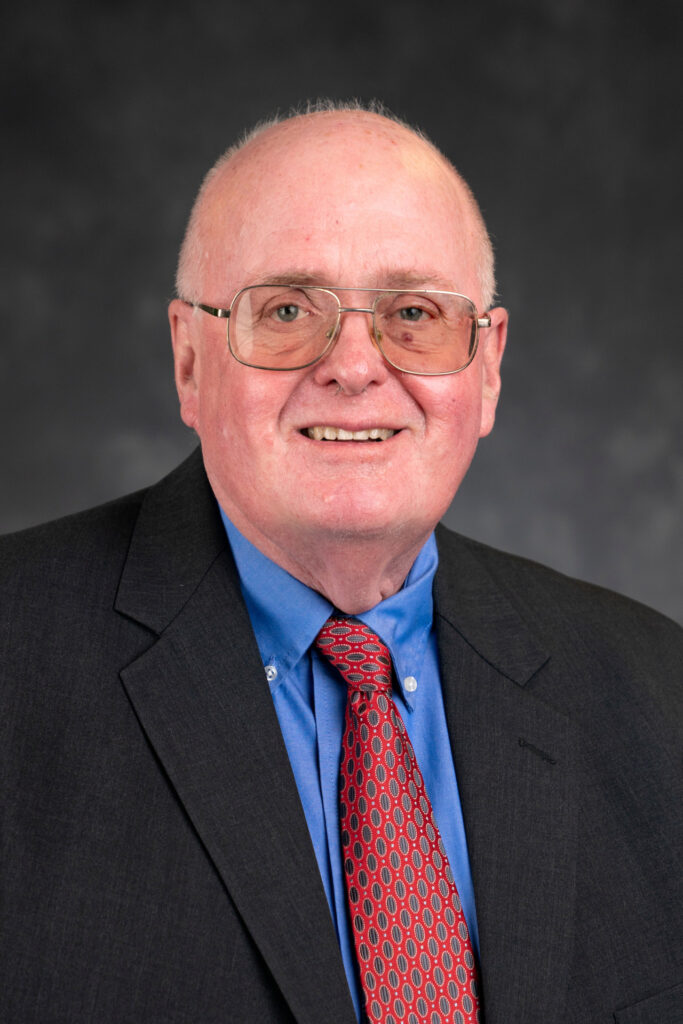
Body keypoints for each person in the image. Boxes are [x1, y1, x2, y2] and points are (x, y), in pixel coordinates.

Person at [1, 102, 681, 1024]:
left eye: (413, 314)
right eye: (286, 310)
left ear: (486, 371)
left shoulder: (656, 691)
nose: (354, 366)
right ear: (189, 361)